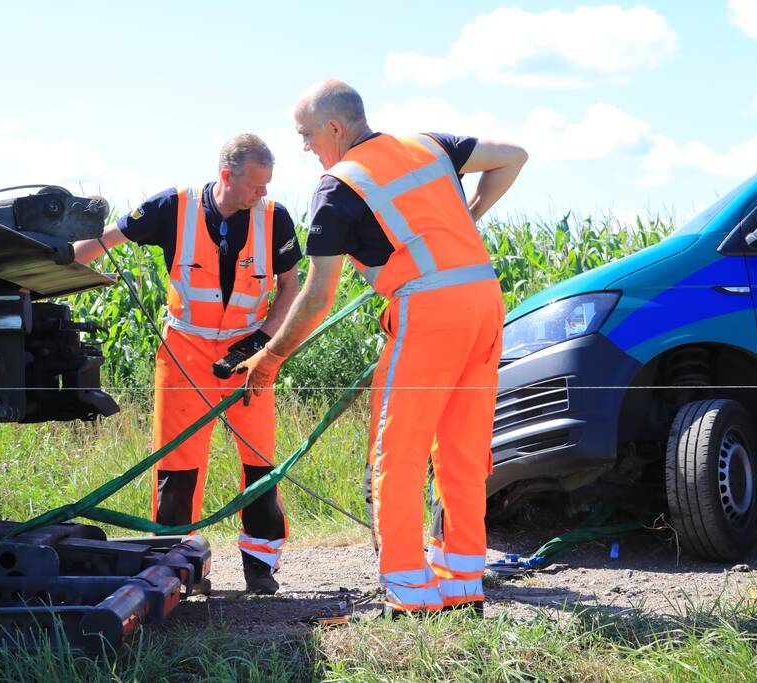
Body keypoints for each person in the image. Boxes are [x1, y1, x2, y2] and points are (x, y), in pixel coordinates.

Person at [240, 81, 528, 615]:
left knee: (398, 452)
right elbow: (513, 158)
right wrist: (471, 216)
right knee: (463, 451)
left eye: (306, 135)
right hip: (485, 300)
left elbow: (316, 294)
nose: (304, 147)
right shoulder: (428, 145)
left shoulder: (336, 187)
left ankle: (409, 594)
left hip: (427, 311)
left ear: (334, 128)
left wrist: (271, 356)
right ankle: (463, 585)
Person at [73, 134, 302, 594]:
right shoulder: (172, 208)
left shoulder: (275, 218)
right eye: (256, 185)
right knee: (178, 465)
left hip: (249, 356)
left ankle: (261, 566)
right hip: (184, 353)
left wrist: (259, 346)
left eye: (267, 186)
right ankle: (178, 569)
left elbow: (290, 289)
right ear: (226, 177)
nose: (263, 194)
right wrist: (59, 269)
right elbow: (101, 241)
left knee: (260, 463)